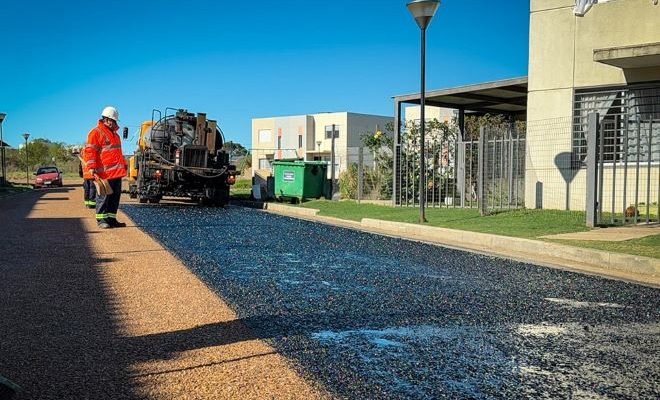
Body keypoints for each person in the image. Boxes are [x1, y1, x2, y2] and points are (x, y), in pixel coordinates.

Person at [83, 106, 127, 229]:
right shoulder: (96, 132)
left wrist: (124, 165)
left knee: (114, 197)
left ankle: (111, 219)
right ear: (106, 119)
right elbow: (90, 151)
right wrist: (91, 167)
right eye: (113, 120)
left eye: (115, 121)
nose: (115, 123)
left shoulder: (116, 135)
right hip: (104, 174)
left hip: (117, 173)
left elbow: (118, 153)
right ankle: (101, 220)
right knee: (103, 197)